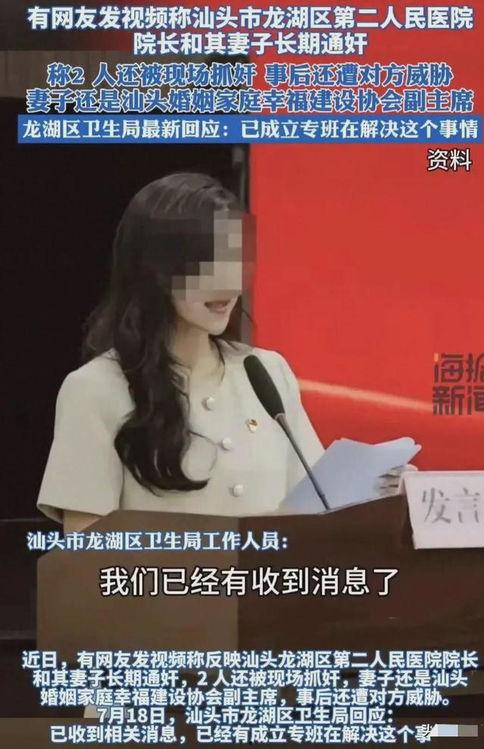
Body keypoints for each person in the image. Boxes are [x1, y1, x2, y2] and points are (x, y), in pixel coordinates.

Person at [36, 172, 405, 534]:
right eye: (205, 263)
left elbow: (318, 507)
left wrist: (377, 492)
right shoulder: (96, 389)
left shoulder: (266, 371)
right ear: (153, 268)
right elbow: (84, 549)